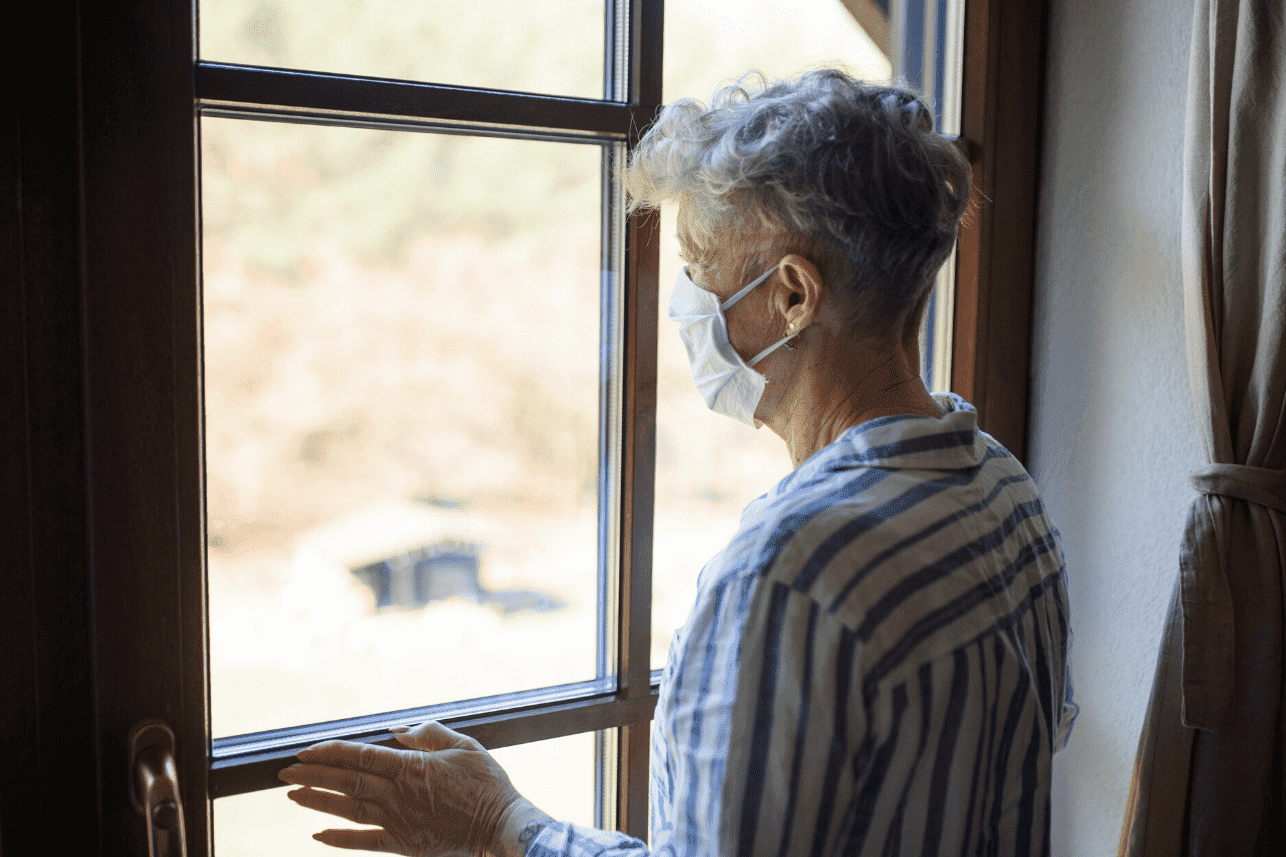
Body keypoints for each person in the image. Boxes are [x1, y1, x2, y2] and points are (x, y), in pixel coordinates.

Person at [278, 68, 1076, 857]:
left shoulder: (787, 572)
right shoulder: (1005, 489)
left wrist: (499, 827)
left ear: (794, 296)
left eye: (699, 270)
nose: (687, 303)